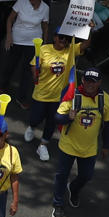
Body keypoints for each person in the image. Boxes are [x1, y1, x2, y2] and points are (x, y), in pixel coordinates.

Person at [50, 66, 109, 217]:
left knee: (86, 175)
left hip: (89, 148)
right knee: (62, 175)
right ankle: (58, 203)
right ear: (82, 80)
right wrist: (68, 118)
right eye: (87, 81)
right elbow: (57, 117)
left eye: (94, 82)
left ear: (100, 83)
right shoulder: (73, 95)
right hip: (68, 145)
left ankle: (74, 189)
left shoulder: (105, 99)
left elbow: (108, 124)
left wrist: (106, 146)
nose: (90, 84)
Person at [24, 29, 81, 158]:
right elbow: (33, 64)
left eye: (66, 38)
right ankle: (32, 127)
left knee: (52, 121)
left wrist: (90, 29)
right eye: (61, 37)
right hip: (41, 94)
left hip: (58, 97)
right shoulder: (44, 49)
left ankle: (43, 145)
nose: (64, 40)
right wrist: (34, 73)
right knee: (35, 118)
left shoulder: (71, 50)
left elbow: (85, 45)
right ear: (54, 37)